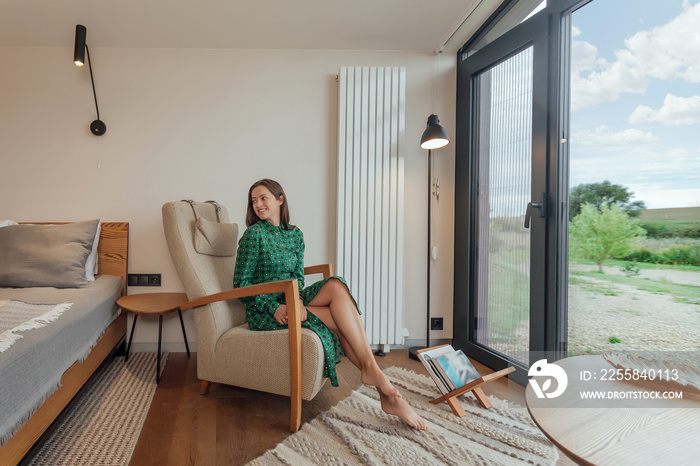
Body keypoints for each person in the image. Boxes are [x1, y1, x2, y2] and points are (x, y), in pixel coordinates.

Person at [233, 179, 428, 430]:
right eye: (254, 200)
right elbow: (241, 285)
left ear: (280, 199)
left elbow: (298, 278)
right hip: (268, 311)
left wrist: (299, 302)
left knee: (336, 285)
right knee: (337, 320)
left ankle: (375, 376)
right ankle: (378, 379)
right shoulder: (253, 235)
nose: (258, 204)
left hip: (293, 299)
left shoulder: (295, 234)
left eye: (263, 198)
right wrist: (275, 307)